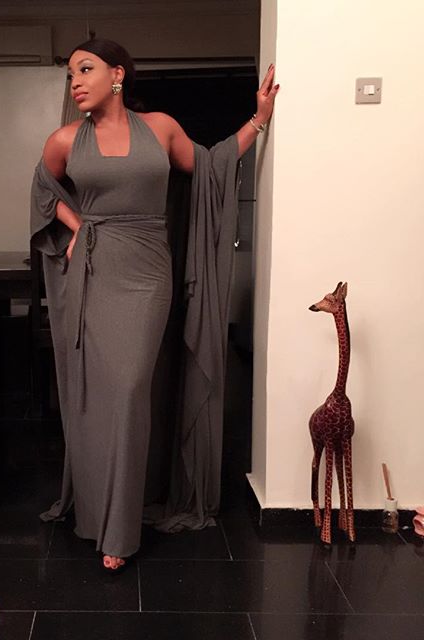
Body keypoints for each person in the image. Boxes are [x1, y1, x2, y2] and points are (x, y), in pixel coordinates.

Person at [30, 39, 279, 573]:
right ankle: (101, 514)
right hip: (93, 276)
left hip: (146, 276)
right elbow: (44, 191)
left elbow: (211, 167)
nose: (75, 82)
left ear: (118, 74)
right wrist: (78, 227)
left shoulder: (161, 128)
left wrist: (257, 121)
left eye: (86, 69)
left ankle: (119, 524)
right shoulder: (65, 139)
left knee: (128, 389)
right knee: (98, 396)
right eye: (71, 74)